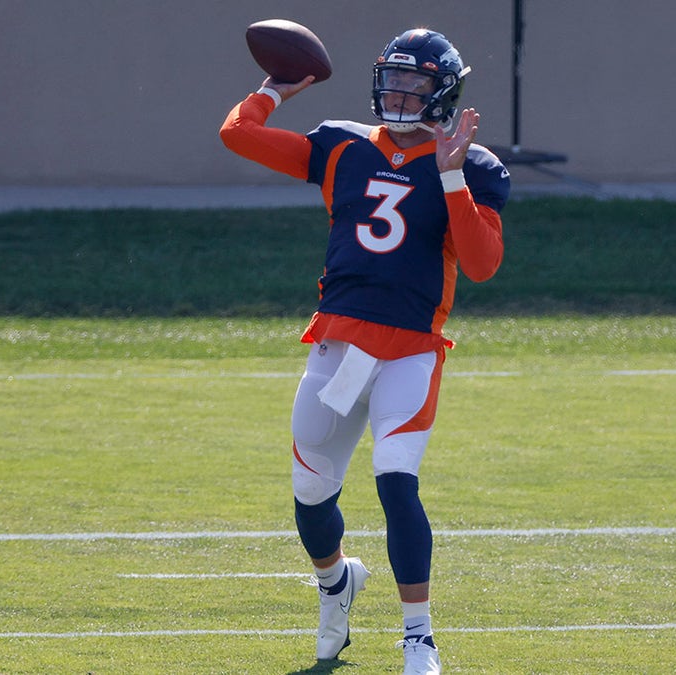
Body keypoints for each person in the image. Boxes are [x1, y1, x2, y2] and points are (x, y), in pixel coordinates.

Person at [220, 28, 509, 674]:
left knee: (395, 480)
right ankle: (336, 583)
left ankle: (419, 636)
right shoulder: (342, 144)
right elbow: (237, 135)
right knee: (310, 492)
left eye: (417, 83)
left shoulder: (472, 162)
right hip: (340, 343)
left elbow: (484, 263)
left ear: (444, 93)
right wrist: (273, 88)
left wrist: (453, 175)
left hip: (411, 348)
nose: (402, 92)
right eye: (396, 78)